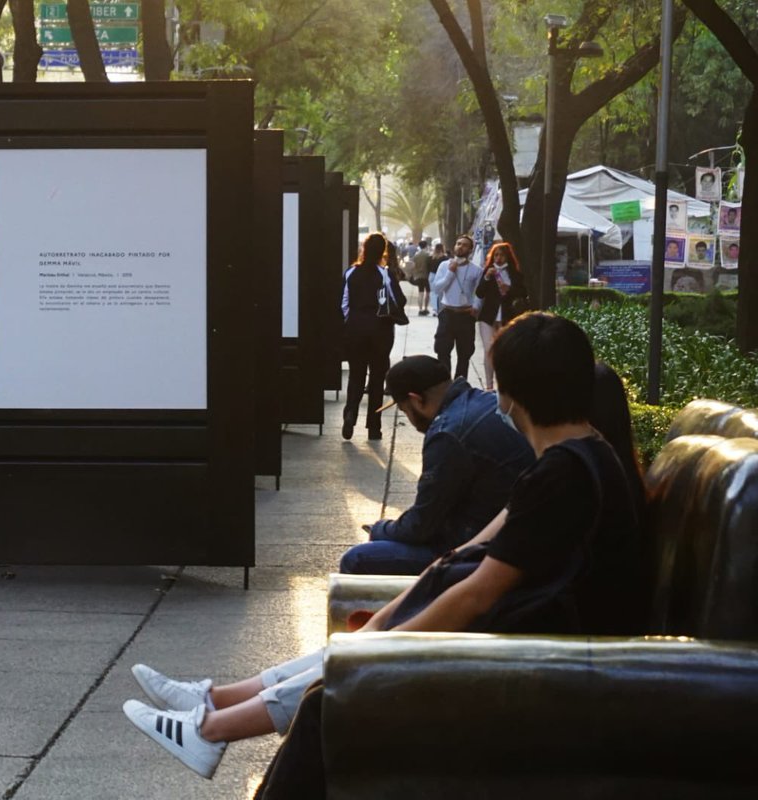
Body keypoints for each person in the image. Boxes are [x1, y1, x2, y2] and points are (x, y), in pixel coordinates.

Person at [123, 314, 646, 785]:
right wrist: (380, 627)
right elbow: (470, 551)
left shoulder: (561, 474)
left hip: (540, 662)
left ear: (514, 392)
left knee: (328, 700)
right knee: (342, 671)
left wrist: (381, 647)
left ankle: (213, 725)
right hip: (542, 649)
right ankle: (213, 709)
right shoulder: (579, 455)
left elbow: (479, 592)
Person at [338, 355, 533, 575]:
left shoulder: (447, 433)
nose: (410, 420)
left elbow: (422, 523)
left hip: (482, 545)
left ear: (416, 400)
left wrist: (382, 529)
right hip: (509, 527)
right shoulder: (483, 401)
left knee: (357, 559)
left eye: (405, 410)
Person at [340, 233, 405, 442]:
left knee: (356, 375)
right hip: (380, 332)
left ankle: (350, 413)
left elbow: (343, 303)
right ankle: (374, 427)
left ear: (364, 249)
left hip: (356, 330)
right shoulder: (385, 274)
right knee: (377, 378)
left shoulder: (351, 273)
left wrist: (353, 321)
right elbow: (399, 300)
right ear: (383, 251)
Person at [474, 242, 528, 391]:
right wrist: (486, 278)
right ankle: (489, 385)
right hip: (488, 317)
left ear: (507, 257)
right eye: (496, 255)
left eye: (502, 255)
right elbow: (479, 293)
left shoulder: (514, 273)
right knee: (489, 349)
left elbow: (522, 292)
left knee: (504, 350)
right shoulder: (488, 272)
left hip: (507, 316)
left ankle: (503, 383)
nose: (498, 258)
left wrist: (509, 289)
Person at [431, 234, 480, 380]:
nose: (460, 247)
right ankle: (444, 383)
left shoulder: (476, 270)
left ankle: (460, 383)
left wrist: (476, 307)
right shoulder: (444, 266)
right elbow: (437, 289)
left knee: (464, 353)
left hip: (465, 315)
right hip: (447, 313)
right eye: (458, 243)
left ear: (470, 249)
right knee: (442, 350)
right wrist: (450, 274)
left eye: (465, 245)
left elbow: (480, 292)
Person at [411, 240, 431, 315]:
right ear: (426, 246)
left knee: (420, 292)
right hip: (427, 276)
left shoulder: (416, 255)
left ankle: (420, 309)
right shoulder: (428, 255)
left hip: (418, 276)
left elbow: (413, 265)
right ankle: (426, 308)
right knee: (428, 292)